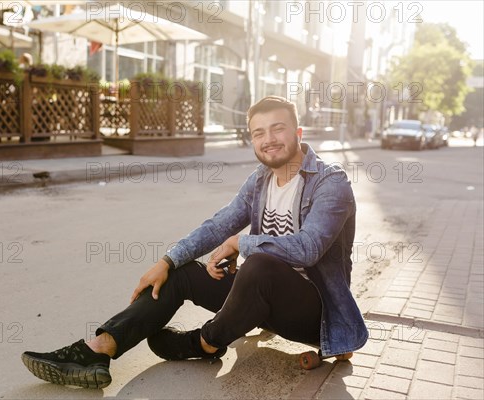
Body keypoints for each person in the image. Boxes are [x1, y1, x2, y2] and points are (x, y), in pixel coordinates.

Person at [21, 95, 368, 389]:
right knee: (182, 273)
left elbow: (308, 249)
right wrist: (167, 261)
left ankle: (202, 342)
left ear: (298, 132)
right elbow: (218, 225)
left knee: (259, 265)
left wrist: (241, 243)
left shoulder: (330, 182)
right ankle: (98, 351)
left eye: (278, 128)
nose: (269, 139)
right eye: (258, 133)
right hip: (259, 301)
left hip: (314, 315)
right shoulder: (260, 180)